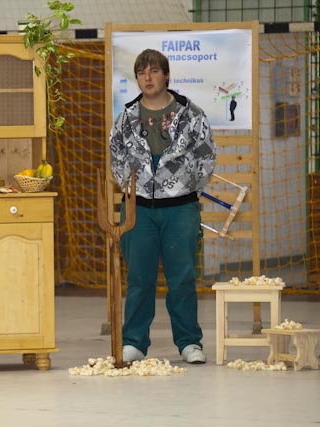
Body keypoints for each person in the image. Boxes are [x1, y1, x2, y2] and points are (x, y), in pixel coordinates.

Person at [109, 49, 216, 364]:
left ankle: (189, 343)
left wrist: (185, 188)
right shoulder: (126, 117)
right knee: (139, 278)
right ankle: (134, 343)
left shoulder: (190, 114)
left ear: (166, 75)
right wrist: (135, 189)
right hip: (137, 210)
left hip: (180, 209)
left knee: (182, 278)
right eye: (141, 72)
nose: (148, 77)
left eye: (154, 71)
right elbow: (115, 157)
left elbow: (206, 156)